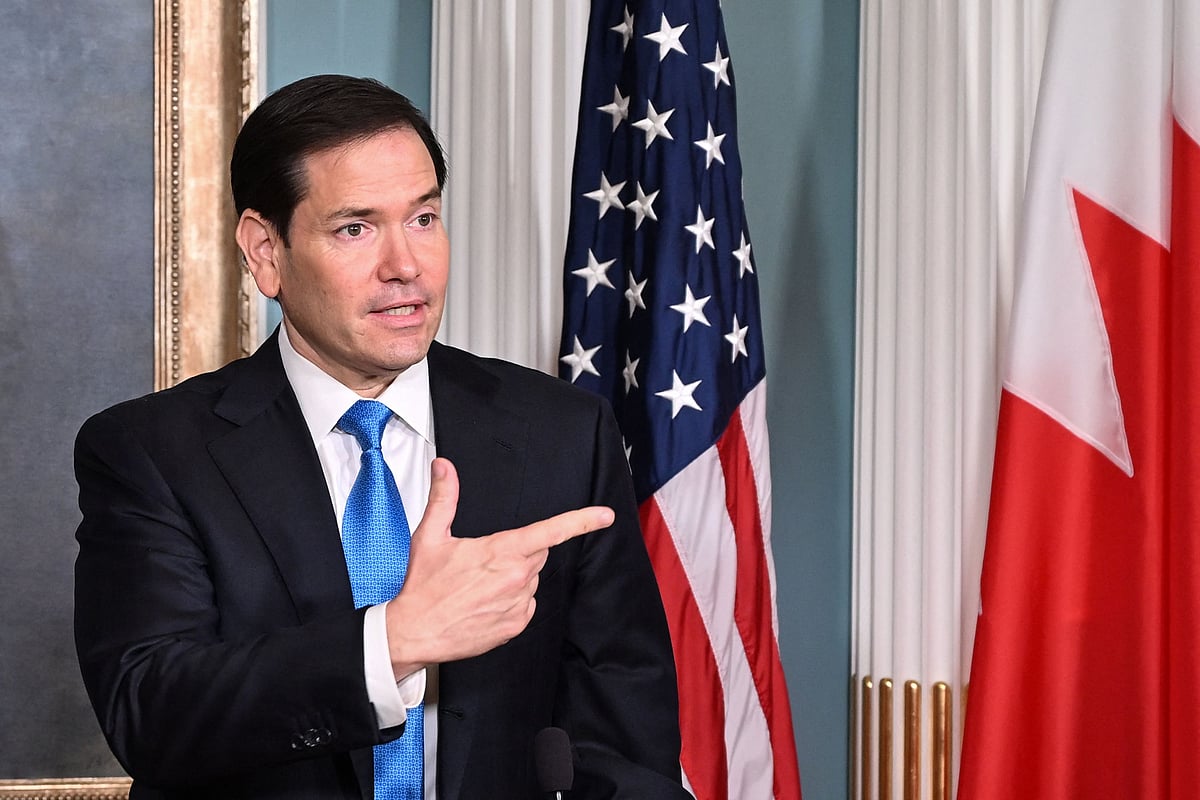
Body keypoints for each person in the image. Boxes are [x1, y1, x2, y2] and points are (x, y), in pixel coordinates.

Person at [73, 74, 689, 800]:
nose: (406, 266)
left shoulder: (562, 433)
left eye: (423, 218)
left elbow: (623, 744)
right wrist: (393, 642)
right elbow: (151, 710)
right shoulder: (152, 452)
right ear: (265, 251)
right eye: (355, 228)